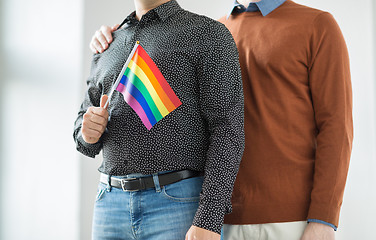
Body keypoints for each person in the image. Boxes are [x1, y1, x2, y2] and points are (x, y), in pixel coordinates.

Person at [90, 0, 353, 239]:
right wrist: (117, 38)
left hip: (288, 219)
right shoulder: (213, 30)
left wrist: (324, 220)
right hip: (213, 218)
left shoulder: (317, 25)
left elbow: (336, 129)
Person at [74, 0, 245, 239]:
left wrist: (210, 218)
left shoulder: (207, 34)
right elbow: (83, 129)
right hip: (109, 204)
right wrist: (88, 133)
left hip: (179, 204)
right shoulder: (108, 42)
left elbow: (228, 130)